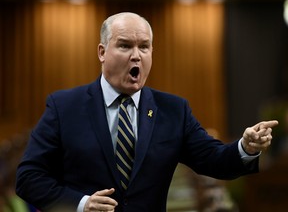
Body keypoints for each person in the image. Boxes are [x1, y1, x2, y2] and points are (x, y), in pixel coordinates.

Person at [15, 12, 278, 212]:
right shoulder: (64, 106)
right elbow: (28, 179)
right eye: (125, 45)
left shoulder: (174, 110)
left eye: (144, 46)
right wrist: (82, 204)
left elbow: (216, 161)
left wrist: (246, 147)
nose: (136, 55)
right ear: (102, 52)